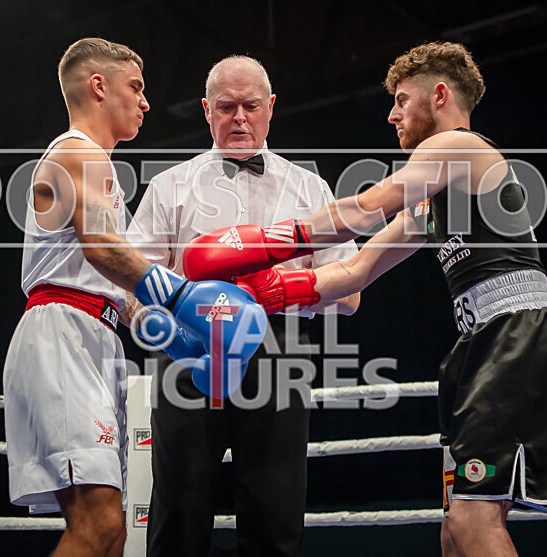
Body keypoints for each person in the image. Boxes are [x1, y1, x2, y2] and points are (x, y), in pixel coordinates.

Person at [183, 42, 547, 557]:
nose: (392, 113)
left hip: (515, 336)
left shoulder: (453, 147)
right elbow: (354, 272)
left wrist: (256, 240)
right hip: (483, 344)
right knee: (454, 530)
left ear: (439, 95)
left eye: (401, 99)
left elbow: (366, 206)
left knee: (472, 522)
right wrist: (259, 291)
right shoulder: (435, 195)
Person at [2, 39, 265, 557]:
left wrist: (182, 337)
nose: (146, 103)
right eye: (136, 87)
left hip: (92, 335)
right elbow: (102, 250)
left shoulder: (97, 165)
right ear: (98, 86)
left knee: (113, 533)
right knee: (97, 528)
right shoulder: (78, 152)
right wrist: (186, 294)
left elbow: (120, 291)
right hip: (64, 336)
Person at [127, 55, 360, 556]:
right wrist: (170, 325)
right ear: (206, 110)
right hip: (189, 347)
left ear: (271, 107)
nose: (239, 118)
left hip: (279, 346)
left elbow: (352, 292)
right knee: (178, 509)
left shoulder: (309, 187)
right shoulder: (169, 186)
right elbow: (132, 286)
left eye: (250, 106)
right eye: (226, 107)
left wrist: (281, 284)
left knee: (274, 512)